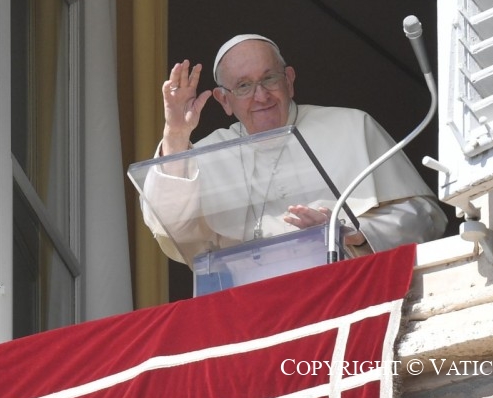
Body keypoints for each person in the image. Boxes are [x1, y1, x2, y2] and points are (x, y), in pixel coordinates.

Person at [141, 34, 447, 265]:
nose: (261, 96)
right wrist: (176, 135)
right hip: (249, 308)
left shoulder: (352, 125)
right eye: (244, 86)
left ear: (289, 80)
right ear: (224, 100)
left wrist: (349, 232)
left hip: (345, 291)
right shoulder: (205, 155)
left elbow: (427, 218)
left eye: (269, 78)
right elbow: (172, 230)